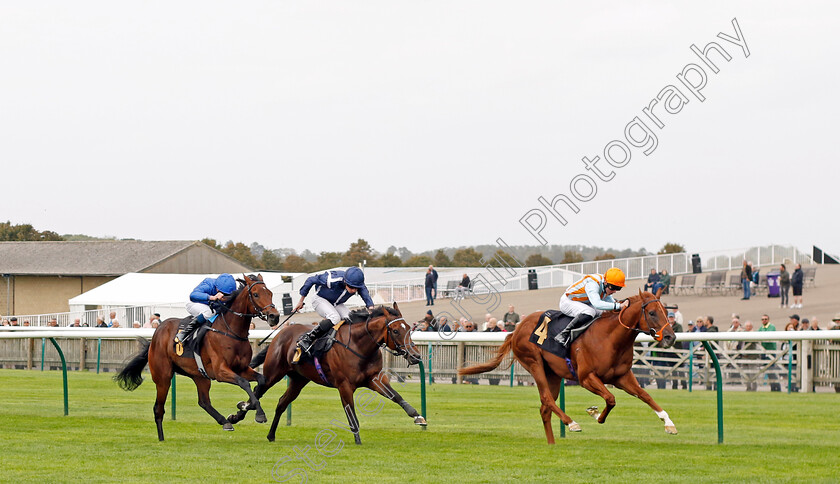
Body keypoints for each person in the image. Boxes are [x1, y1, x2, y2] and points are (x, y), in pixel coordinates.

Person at [294, 267, 375, 354]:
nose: (354, 290)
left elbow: (366, 296)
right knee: (335, 317)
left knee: (352, 319)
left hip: (336, 303)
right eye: (351, 287)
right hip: (319, 299)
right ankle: (308, 338)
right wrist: (301, 301)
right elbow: (310, 280)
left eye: (356, 288)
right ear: (345, 281)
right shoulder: (330, 279)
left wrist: (371, 310)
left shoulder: (358, 284)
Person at [554, 268, 629, 347]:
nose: (614, 291)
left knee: (605, 312)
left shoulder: (605, 285)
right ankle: (564, 334)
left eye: (618, 288)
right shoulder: (593, 283)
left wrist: (619, 305)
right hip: (568, 302)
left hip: (585, 302)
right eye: (613, 287)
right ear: (606, 282)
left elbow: (610, 302)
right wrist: (618, 306)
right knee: (589, 312)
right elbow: (597, 304)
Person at [175, 273, 238, 346]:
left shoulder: (227, 290)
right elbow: (193, 295)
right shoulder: (209, 284)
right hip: (194, 303)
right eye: (222, 293)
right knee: (209, 312)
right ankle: (184, 333)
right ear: (217, 288)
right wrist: (211, 297)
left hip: (211, 306)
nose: (224, 295)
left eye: (227, 294)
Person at [758, 314, 781, 392]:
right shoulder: (761, 328)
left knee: (771, 370)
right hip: (764, 352)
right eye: (762, 319)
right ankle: (773, 387)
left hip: (770, 351)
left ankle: (777, 386)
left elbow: (767, 336)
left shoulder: (772, 327)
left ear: (768, 320)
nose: (764, 320)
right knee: (767, 370)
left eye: (765, 319)